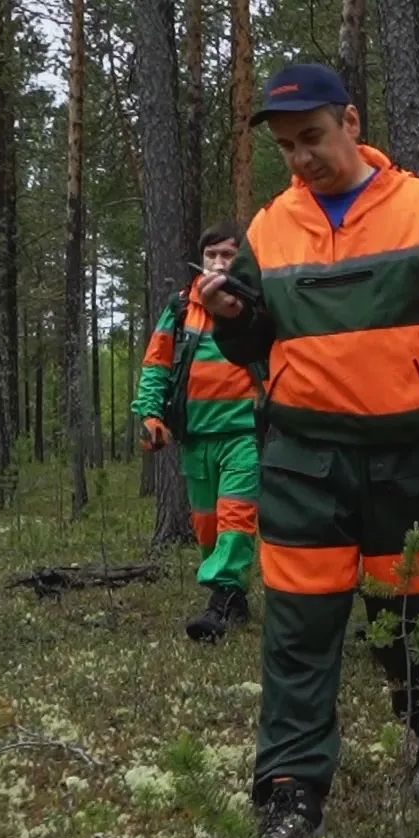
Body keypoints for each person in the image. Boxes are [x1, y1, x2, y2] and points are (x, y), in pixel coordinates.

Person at [198, 63, 419, 838]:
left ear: (349, 121)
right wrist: (231, 313)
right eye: (286, 146)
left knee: (415, 616)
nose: (301, 157)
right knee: (299, 634)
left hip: (405, 460)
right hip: (303, 462)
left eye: (311, 137)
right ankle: (292, 795)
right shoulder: (270, 227)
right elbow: (250, 343)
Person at [131, 222, 264, 643]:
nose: (219, 263)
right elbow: (156, 365)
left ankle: (220, 604)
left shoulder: (255, 307)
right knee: (207, 525)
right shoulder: (180, 308)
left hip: (245, 434)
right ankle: (234, 597)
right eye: (213, 255)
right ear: (201, 259)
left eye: (228, 255)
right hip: (196, 437)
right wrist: (150, 415)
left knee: (235, 518)